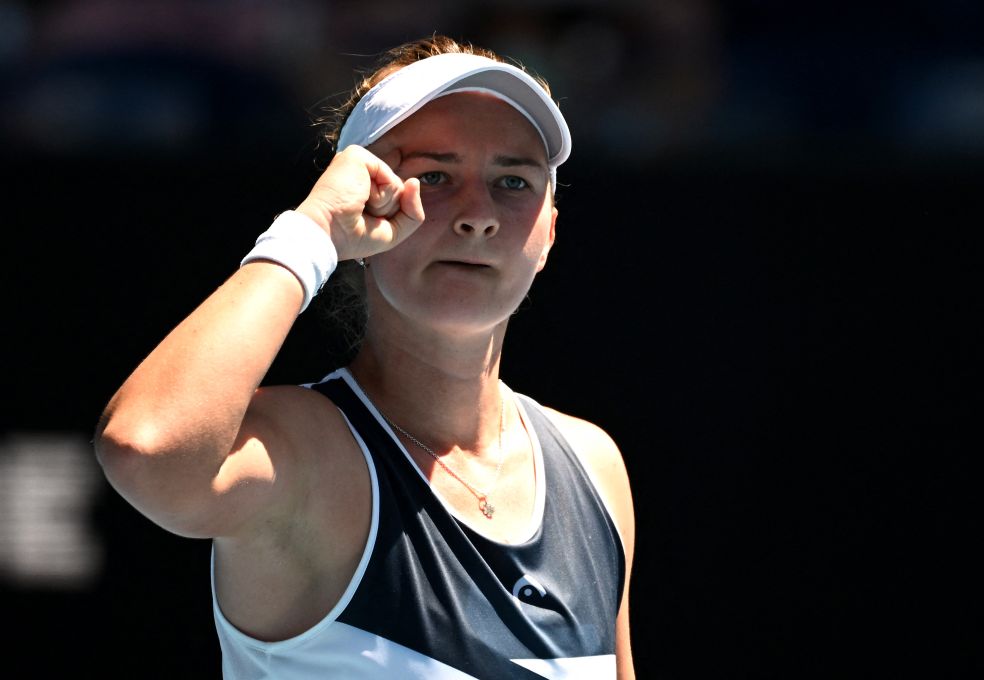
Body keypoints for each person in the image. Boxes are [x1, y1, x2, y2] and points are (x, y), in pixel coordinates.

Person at [95, 35, 635, 679]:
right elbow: (145, 446)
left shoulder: (593, 465)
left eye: (512, 181)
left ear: (547, 230)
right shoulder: (304, 455)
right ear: (363, 203)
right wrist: (313, 231)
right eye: (434, 176)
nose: (478, 216)